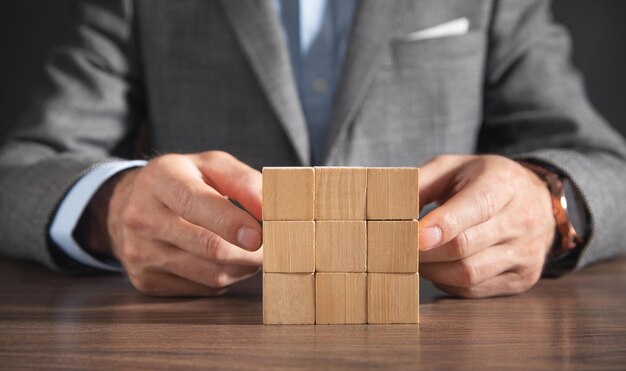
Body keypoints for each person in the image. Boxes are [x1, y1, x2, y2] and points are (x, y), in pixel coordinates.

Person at [1, 0, 625, 299]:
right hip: (205, 345)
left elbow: (608, 168)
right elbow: (19, 174)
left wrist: (549, 208)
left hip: (438, 342)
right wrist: (111, 209)